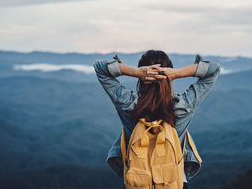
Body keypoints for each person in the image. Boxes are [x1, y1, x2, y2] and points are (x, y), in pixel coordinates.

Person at [94, 50, 221, 188]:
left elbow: (100, 68)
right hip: (174, 183)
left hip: (137, 183)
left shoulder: (128, 105)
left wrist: (136, 72)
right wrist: (176, 74)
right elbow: (213, 70)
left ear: (142, 78)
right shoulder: (182, 107)